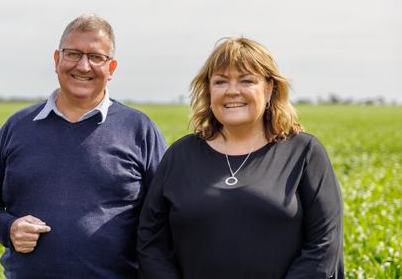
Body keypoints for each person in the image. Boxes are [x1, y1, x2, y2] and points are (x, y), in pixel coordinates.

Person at [0, 14, 167, 278]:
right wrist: (7, 228)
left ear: (111, 68)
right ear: (57, 60)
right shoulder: (18, 127)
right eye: (73, 54)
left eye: (96, 57)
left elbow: (164, 216)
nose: (84, 65)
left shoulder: (139, 130)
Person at [137, 37, 344, 279]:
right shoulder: (180, 154)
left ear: (269, 89)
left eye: (247, 80)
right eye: (220, 82)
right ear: (209, 90)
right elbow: (151, 242)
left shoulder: (304, 152)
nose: (232, 91)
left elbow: (324, 245)